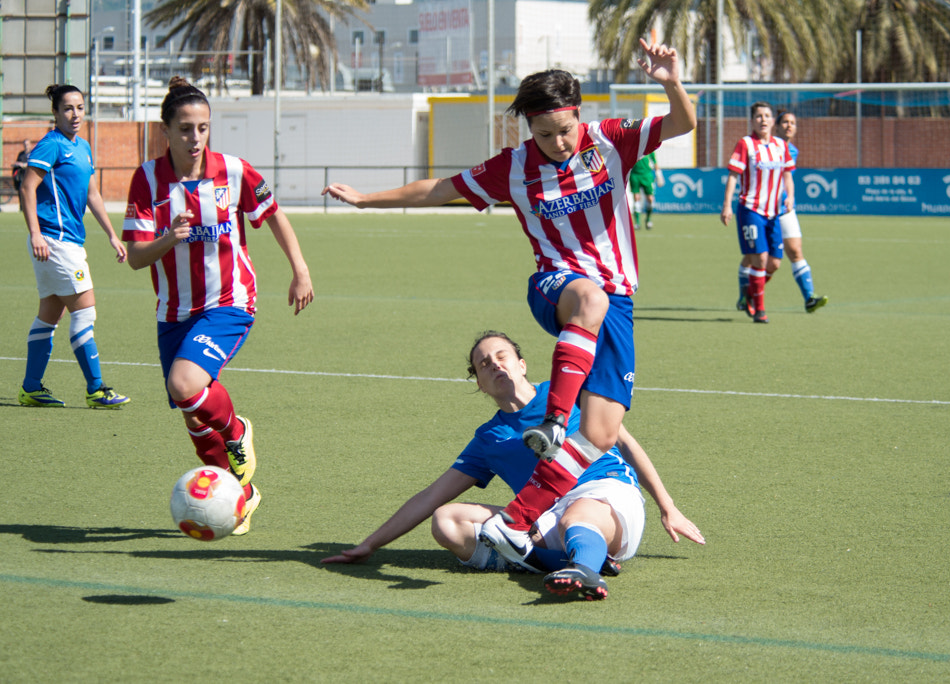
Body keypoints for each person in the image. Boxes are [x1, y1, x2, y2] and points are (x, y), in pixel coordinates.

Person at [323, 39, 697, 548]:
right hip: (556, 286)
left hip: (617, 302)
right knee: (589, 300)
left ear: (578, 116)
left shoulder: (611, 140)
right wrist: (368, 199)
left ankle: (522, 518)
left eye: (564, 131)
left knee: (604, 433)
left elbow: (683, 125)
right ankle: (556, 419)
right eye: (544, 134)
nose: (558, 143)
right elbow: (441, 189)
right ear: (529, 128)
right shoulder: (514, 166)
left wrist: (671, 81)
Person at [321, 331, 704, 601]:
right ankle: (555, 561)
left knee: (578, 516)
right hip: (541, 516)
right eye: (483, 364)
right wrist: (371, 544)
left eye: (501, 356)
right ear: (480, 386)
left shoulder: (566, 396)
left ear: (521, 364)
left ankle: (586, 569)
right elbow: (431, 496)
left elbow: (626, 441)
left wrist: (667, 507)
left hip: (606, 499)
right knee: (446, 520)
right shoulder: (489, 439)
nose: (494, 365)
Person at [121, 77, 315, 535]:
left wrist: (300, 269)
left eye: (203, 128)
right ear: (165, 131)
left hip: (229, 301)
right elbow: (134, 256)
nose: (195, 138)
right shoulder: (147, 179)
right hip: (173, 310)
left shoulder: (234, 170)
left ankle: (236, 433)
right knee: (190, 407)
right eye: (185, 129)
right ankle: (236, 496)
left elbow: (273, 215)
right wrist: (169, 237)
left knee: (185, 383)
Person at [17, 85, 131, 409]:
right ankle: (96, 389)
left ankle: (30, 387)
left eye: (80, 107)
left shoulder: (82, 147)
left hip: (67, 242)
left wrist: (111, 234)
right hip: (54, 241)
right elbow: (27, 188)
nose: (75, 114)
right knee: (85, 311)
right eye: (67, 108)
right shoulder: (51, 145)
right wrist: (36, 234)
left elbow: (92, 194)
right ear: (55, 113)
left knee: (49, 315)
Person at [720, 101, 794, 324]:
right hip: (751, 210)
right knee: (760, 259)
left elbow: (788, 174)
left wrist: (789, 196)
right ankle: (759, 310)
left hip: (774, 213)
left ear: (773, 121)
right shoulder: (745, 144)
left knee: (775, 263)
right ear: (753, 121)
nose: (763, 120)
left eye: (767, 116)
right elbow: (733, 176)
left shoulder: (781, 145)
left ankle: (749, 294)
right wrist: (726, 205)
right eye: (759, 116)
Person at [774, 111, 827, 313]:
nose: (789, 126)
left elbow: (786, 178)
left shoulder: (792, 151)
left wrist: (790, 197)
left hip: (785, 208)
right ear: (776, 126)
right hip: (764, 209)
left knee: (796, 251)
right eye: (785, 122)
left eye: (793, 123)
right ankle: (749, 294)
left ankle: (809, 298)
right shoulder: (764, 147)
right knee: (769, 262)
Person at [629, 151, 661, 230]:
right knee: (636, 198)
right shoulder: (633, 146)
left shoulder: (650, 148)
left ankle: (648, 219)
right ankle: (637, 223)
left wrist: (659, 175)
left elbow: (655, 162)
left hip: (647, 175)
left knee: (650, 198)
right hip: (635, 175)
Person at [12, 139, 31, 212]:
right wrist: (18, 164)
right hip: (21, 176)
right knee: (21, 191)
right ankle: (21, 207)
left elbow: (32, 163)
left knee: (29, 191)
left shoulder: (32, 153)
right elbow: (17, 162)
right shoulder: (21, 154)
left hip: (29, 175)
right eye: (25, 144)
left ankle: (30, 207)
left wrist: (24, 165)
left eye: (27, 144)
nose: (26, 146)